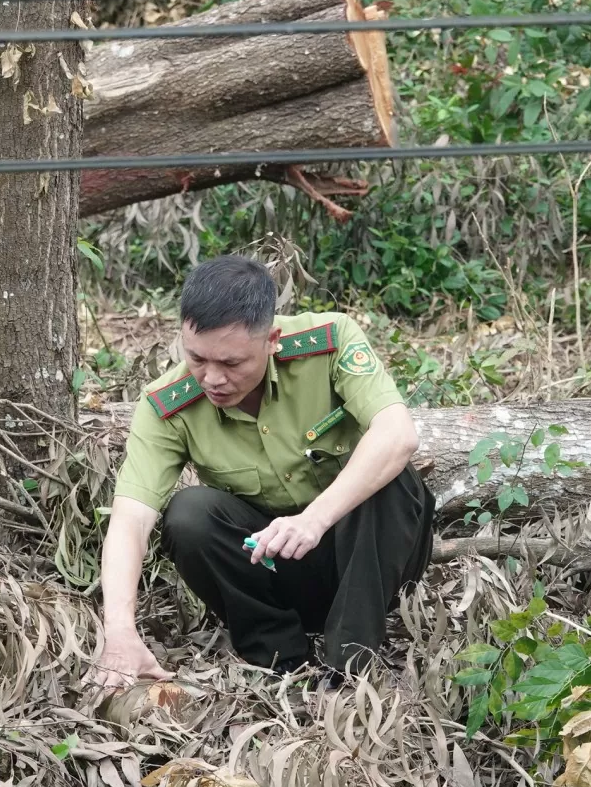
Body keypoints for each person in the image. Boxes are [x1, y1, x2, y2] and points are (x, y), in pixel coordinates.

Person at [86, 255, 435, 688]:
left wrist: (314, 519)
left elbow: (398, 435)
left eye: (232, 364)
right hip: (276, 570)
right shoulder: (167, 405)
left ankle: (349, 664)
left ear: (271, 339)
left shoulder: (328, 342)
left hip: (373, 561)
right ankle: (278, 657)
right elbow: (130, 519)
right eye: (196, 358)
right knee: (190, 513)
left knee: (393, 478)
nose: (211, 378)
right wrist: (119, 631)